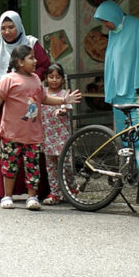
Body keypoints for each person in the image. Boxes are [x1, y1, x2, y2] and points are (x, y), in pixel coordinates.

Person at [0, 45, 75, 210]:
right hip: (11, 133)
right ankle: (7, 196)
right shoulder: (9, 79)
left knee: (32, 168)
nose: (35, 61)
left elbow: (43, 98)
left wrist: (63, 100)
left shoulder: (36, 79)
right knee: (9, 167)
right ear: (20, 62)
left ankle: (32, 197)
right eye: (31, 58)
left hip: (33, 135)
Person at [0, 11, 52, 203]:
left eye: (11, 27)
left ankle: (33, 193)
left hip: (24, 103)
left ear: (19, 26)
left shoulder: (31, 44)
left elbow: (44, 65)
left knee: (29, 148)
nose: (7, 32)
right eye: (3, 28)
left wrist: (27, 80)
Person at [93, 0, 139, 171]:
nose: (105, 25)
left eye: (106, 21)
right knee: (126, 134)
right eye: (102, 22)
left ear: (114, 15)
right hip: (121, 94)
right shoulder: (114, 33)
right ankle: (132, 171)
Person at [39, 63, 81, 205]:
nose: (54, 80)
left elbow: (66, 108)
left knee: (66, 164)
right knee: (50, 166)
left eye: (57, 77)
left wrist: (61, 111)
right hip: (47, 135)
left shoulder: (65, 94)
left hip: (62, 136)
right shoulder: (43, 92)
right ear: (46, 78)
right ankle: (54, 193)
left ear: (62, 79)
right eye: (51, 77)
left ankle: (72, 188)